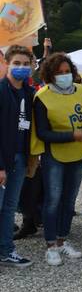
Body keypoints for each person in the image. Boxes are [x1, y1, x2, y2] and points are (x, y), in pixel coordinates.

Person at [31, 52, 82, 266]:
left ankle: (62, 240)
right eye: (59, 73)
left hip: (77, 154)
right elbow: (43, 133)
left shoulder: (81, 91)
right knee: (53, 201)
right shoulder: (42, 96)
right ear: (50, 75)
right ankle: (50, 246)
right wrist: (70, 136)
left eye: (67, 72)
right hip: (54, 155)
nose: (64, 76)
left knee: (69, 200)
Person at [0, 45, 35, 267]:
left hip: (21, 158)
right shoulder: (1, 91)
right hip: (3, 160)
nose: (21, 68)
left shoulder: (30, 93)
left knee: (10, 207)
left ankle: (6, 250)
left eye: (25, 64)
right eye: (17, 63)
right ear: (7, 64)